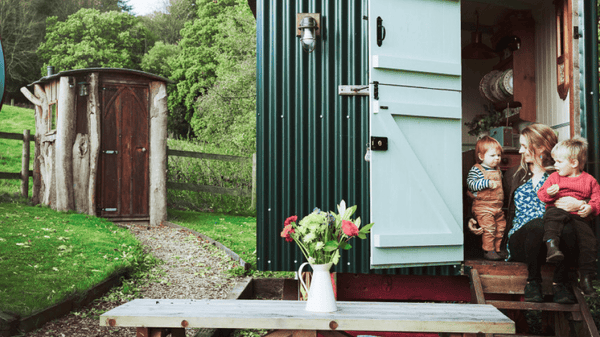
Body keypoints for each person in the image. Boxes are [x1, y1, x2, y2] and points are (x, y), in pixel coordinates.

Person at [469, 124, 586, 303]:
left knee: (567, 227)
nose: (520, 150)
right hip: (521, 241)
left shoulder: (562, 174)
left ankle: (561, 284)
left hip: (553, 244)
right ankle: (533, 281)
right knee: (537, 225)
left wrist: (581, 204)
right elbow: (488, 198)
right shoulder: (514, 175)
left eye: (524, 146)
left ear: (540, 148)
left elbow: (586, 196)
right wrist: (476, 217)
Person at [537, 137, 599, 296]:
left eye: (558, 161)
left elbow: (597, 199)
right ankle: (552, 245)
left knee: (589, 242)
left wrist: (589, 207)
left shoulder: (589, 180)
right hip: (557, 211)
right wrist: (550, 194)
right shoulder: (554, 178)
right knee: (553, 218)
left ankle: (586, 277)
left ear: (573, 163)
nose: (555, 165)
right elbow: (542, 194)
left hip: (578, 216)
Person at [467, 136, 506, 261]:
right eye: (493, 155)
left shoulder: (498, 170)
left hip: (497, 207)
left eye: (498, 155)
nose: (497, 158)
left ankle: (497, 249)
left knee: (500, 227)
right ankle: (488, 250)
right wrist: (486, 183)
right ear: (481, 156)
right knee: (489, 229)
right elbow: (470, 184)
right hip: (483, 207)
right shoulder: (477, 170)